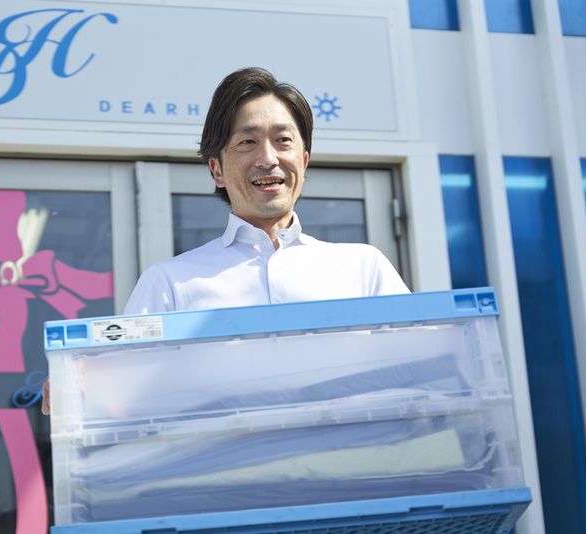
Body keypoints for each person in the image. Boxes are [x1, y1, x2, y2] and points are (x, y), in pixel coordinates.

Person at [41, 67, 408, 413]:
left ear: (304, 160)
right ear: (216, 169)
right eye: (247, 142)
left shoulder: (364, 268)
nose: (268, 158)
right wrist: (77, 389)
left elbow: (422, 368)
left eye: (283, 140)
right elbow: (119, 397)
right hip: (225, 462)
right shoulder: (169, 283)